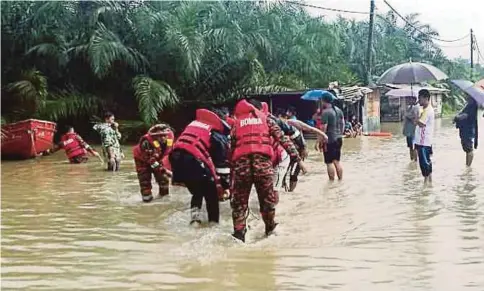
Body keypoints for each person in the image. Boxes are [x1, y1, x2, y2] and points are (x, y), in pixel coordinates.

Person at [230, 99, 306, 242]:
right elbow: (284, 140)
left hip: (242, 170)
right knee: (267, 202)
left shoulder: (236, 124)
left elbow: (232, 149)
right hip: (263, 168)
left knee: (239, 205)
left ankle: (239, 234)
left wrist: (231, 176)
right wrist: (298, 160)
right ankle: (270, 229)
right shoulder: (267, 120)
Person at [169, 108, 231, 225]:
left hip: (175, 159)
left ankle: (195, 219)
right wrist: (225, 186)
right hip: (193, 160)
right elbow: (221, 164)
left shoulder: (194, 124)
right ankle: (213, 224)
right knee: (211, 194)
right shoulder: (215, 132)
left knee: (197, 191)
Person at [133, 124, 175, 202]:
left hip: (158, 158)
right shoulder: (146, 143)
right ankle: (146, 201)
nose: (162, 138)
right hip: (142, 159)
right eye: (159, 136)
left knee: (164, 180)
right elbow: (151, 162)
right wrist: (165, 171)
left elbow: (171, 154)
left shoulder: (170, 139)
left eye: (164, 135)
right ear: (155, 137)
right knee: (145, 181)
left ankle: (163, 200)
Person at [319, 92, 345, 181]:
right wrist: (340, 133)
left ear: (323, 101)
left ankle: (331, 183)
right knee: (337, 161)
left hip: (329, 140)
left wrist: (319, 141)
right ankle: (340, 181)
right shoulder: (339, 110)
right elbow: (343, 124)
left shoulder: (326, 112)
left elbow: (323, 129)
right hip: (339, 138)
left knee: (329, 162)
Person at [414, 89, 435, 183]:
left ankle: (426, 183)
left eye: (420, 98)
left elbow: (421, 123)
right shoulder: (425, 109)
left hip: (423, 141)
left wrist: (415, 118)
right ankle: (429, 181)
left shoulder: (427, 110)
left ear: (426, 98)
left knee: (423, 162)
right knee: (427, 160)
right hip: (425, 141)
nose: (419, 100)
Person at [453, 95, 478, 166]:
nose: (465, 95)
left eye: (467, 94)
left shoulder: (472, 105)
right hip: (465, 130)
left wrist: (457, 117)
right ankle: (467, 165)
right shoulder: (468, 105)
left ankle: (468, 167)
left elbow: (465, 115)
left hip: (468, 131)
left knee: (469, 149)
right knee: (467, 149)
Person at [403, 96, 420, 161]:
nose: (408, 101)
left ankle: (415, 161)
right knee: (410, 147)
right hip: (408, 131)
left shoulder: (416, 108)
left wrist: (408, 116)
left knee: (414, 147)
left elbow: (416, 118)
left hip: (413, 131)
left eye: (410, 99)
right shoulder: (409, 107)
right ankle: (412, 160)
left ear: (414, 100)